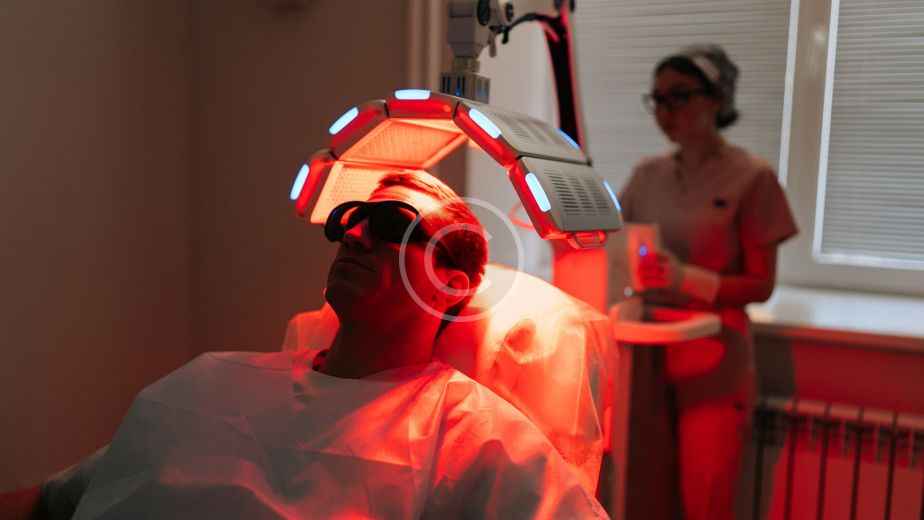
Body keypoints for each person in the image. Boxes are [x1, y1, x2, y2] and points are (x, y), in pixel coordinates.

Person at [2, 172, 607, 519]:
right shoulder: (211, 381)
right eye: (349, 220)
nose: (356, 236)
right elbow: (52, 503)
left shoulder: (475, 437)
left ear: (453, 282)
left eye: (393, 226)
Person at [619, 45, 798, 520]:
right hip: (647, 354)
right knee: (640, 496)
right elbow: (613, 246)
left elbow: (760, 284)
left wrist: (687, 279)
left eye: (679, 96)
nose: (666, 111)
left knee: (706, 496)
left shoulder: (752, 178)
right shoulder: (647, 176)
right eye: (658, 99)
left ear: (717, 99)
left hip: (713, 358)